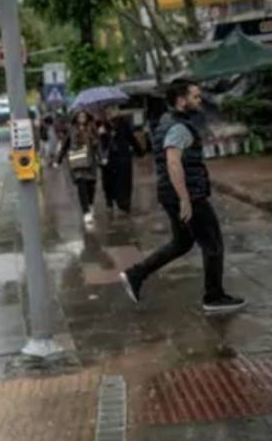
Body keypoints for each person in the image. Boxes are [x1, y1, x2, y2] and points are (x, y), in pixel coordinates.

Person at [120, 79, 246, 314]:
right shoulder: (178, 126)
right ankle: (214, 297)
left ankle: (135, 274)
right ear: (181, 100)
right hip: (188, 195)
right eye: (195, 97)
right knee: (213, 244)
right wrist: (185, 199)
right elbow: (173, 162)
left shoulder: (167, 122)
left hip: (172, 194)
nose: (199, 101)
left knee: (182, 243)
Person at [55, 110, 100, 228]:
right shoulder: (71, 130)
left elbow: (97, 145)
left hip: (90, 163)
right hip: (77, 163)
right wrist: (57, 160)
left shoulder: (92, 129)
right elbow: (65, 145)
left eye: (84, 116)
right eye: (80, 116)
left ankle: (90, 205)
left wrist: (101, 156)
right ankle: (86, 212)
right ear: (76, 118)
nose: (82, 118)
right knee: (81, 186)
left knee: (91, 186)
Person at [98, 106, 142, 215]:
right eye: (109, 113)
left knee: (125, 182)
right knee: (109, 182)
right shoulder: (102, 126)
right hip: (108, 160)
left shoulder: (123, 124)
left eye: (114, 111)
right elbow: (98, 145)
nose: (112, 114)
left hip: (123, 158)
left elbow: (131, 138)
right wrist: (102, 134)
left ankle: (124, 203)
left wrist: (140, 151)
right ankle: (110, 201)